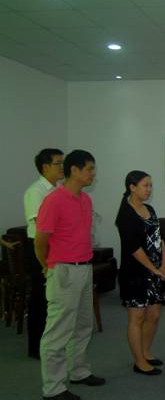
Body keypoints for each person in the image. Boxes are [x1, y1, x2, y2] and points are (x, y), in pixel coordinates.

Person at [35, 150, 105, 400]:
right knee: (58, 331)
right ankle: (53, 388)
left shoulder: (86, 200)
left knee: (84, 325)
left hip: (85, 268)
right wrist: (48, 265)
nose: (93, 174)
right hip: (63, 270)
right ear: (74, 170)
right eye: (89, 169)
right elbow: (40, 241)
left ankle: (79, 371)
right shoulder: (54, 200)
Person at [115, 170, 165, 376]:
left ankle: (146, 352)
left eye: (150, 185)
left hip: (155, 271)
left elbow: (160, 239)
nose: (149, 189)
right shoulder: (126, 214)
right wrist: (155, 269)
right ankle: (139, 362)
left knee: (154, 315)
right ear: (132, 187)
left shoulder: (150, 209)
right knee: (136, 318)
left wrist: (164, 265)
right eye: (145, 185)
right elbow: (134, 248)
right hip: (135, 274)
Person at [23, 148, 64, 359]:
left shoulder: (59, 189)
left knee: (55, 299)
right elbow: (42, 226)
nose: (62, 167)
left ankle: (53, 342)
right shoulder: (36, 191)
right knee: (40, 298)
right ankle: (36, 347)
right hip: (40, 247)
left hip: (57, 247)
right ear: (45, 167)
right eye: (58, 163)